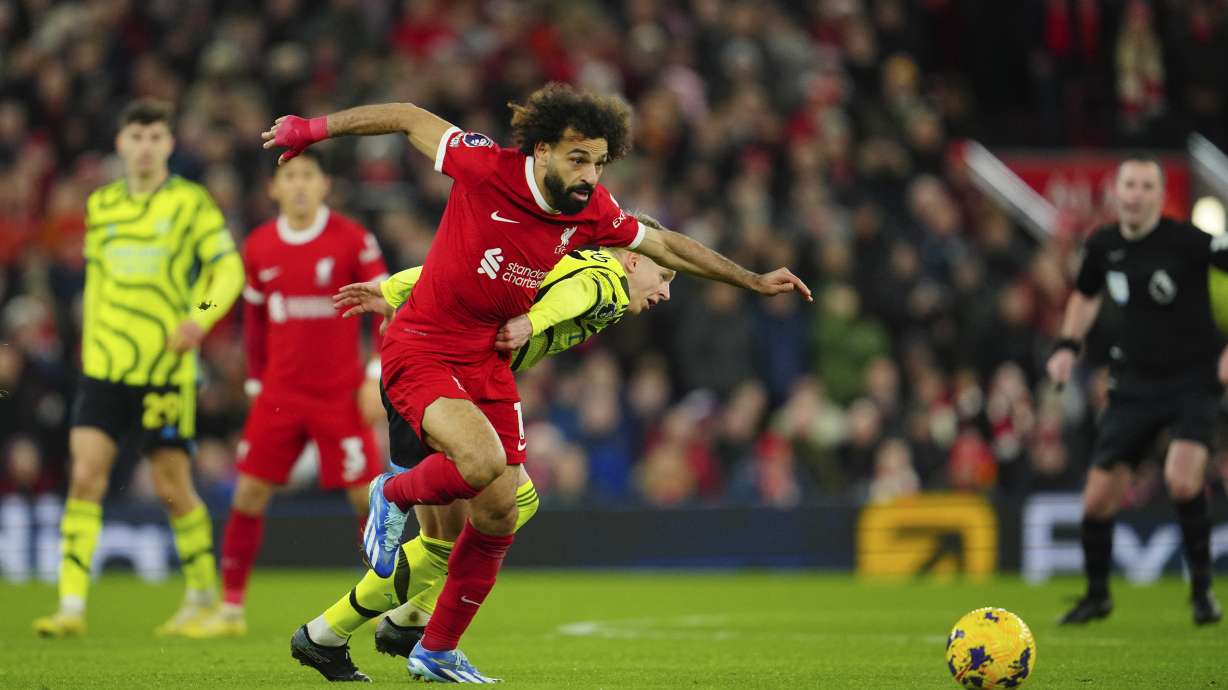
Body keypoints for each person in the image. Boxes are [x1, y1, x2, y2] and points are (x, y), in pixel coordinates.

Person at [263, 82, 810, 682]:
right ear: (541, 149)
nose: (589, 176)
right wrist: (310, 129)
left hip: (484, 366)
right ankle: (389, 505)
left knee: (502, 510)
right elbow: (405, 114)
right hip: (423, 348)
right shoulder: (486, 167)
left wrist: (754, 279)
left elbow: (668, 244)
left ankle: (429, 644)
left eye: (600, 163)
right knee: (477, 471)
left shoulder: (594, 213)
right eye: (579, 159)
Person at [286, 244, 674, 681]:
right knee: (488, 516)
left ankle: (379, 626)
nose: (664, 291)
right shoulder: (609, 278)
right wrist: (535, 321)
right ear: (634, 260)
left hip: (450, 366)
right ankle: (351, 628)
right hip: (447, 369)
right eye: (664, 277)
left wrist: (393, 288)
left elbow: (471, 268)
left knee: (465, 527)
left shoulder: (560, 256)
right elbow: (580, 293)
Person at [33, 98, 245, 637]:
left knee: (172, 486)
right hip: (104, 367)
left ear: (169, 145)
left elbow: (227, 270)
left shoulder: (190, 203)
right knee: (84, 476)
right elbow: (98, 283)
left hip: (164, 368)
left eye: (155, 137)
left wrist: (198, 320)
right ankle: (72, 608)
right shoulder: (101, 205)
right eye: (136, 137)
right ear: (121, 145)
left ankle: (202, 596)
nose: (145, 146)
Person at [185, 150, 389, 638]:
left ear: (325, 186)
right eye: (288, 177)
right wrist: (256, 382)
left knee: (366, 497)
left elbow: (387, 307)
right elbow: (252, 321)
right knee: (249, 493)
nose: (298, 185)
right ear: (273, 190)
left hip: (340, 392)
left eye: (308, 176)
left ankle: (386, 602)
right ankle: (230, 610)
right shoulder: (257, 246)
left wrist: (374, 375)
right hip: (278, 393)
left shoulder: (353, 240)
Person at [1047, 153, 1224, 626]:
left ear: (1160, 196)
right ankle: (1097, 596)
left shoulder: (1187, 240)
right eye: (1130, 185)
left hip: (1193, 381)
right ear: (1116, 191)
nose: (1137, 194)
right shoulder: (1103, 244)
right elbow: (1085, 296)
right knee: (1097, 499)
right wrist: (1067, 345)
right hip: (1135, 384)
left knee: (1182, 480)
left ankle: (1203, 592)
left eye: (1147, 186)